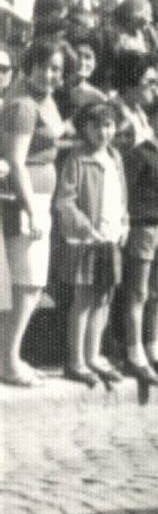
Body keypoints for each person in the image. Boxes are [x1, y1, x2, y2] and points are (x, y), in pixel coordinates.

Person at [2, 40, 68, 386]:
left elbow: (49, 141)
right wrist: (32, 209)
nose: (50, 74)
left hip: (40, 199)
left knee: (30, 284)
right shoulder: (24, 105)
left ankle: (10, 357)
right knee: (26, 285)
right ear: (29, 66)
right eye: (44, 67)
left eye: (57, 68)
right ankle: (9, 361)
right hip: (25, 202)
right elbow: (15, 161)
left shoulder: (46, 100)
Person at [52, 101, 129, 388]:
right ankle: (76, 361)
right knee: (83, 300)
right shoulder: (77, 158)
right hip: (86, 242)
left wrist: (125, 222)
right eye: (95, 125)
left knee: (104, 298)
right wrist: (86, 227)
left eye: (108, 125)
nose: (102, 131)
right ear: (85, 127)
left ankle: (94, 354)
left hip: (111, 237)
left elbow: (121, 197)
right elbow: (65, 200)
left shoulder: (115, 157)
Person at [118, 95, 158, 383]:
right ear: (151, 121)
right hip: (144, 228)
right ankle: (135, 354)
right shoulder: (139, 154)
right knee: (138, 292)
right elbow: (125, 193)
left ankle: (155, 352)